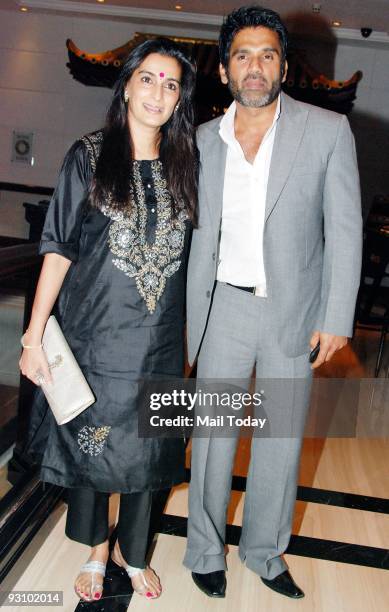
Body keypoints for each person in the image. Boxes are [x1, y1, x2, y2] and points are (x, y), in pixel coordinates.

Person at [183, 5, 362, 600]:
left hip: (294, 312)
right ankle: (205, 549)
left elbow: (345, 228)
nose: (254, 67)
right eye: (242, 55)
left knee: (280, 442)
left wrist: (337, 317)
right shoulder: (201, 141)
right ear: (225, 69)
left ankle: (264, 552)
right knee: (211, 440)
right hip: (222, 311)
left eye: (266, 54)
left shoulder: (327, 131)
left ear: (283, 65)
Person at [19, 38, 197, 602]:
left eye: (171, 84)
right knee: (91, 449)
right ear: (126, 86)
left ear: (179, 100)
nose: (158, 93)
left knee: (152, 450)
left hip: (161, 339)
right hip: (96, 335)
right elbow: (58, 247)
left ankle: (132, 552)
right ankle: (98, 550)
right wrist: (33, 334)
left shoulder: (188, 164)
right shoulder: (89, 156)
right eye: (148, 78)